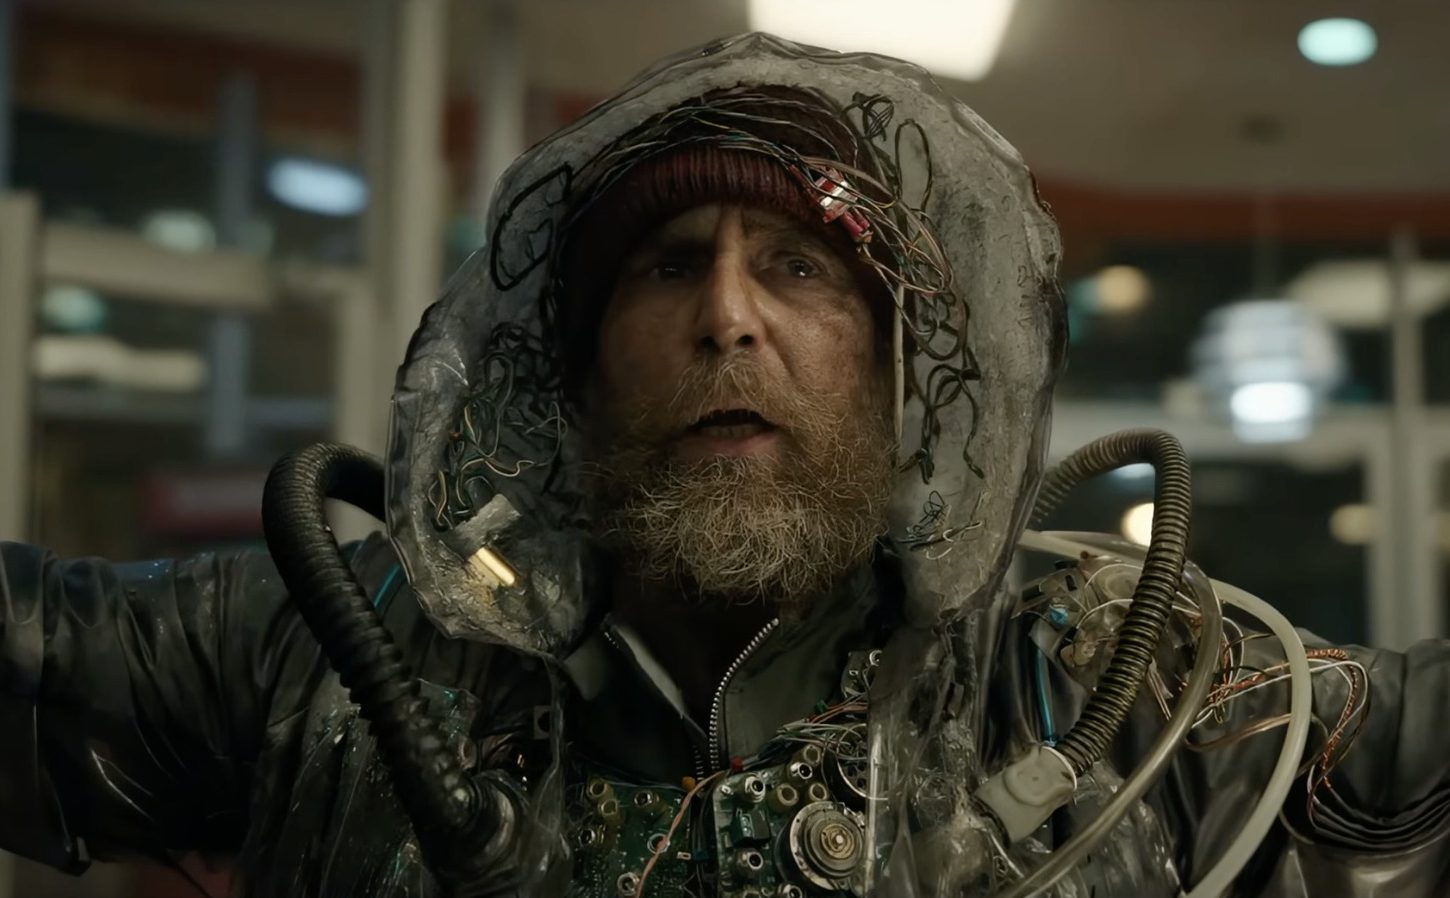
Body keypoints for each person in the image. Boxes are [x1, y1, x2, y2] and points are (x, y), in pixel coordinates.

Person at [2, 33, 1448, 898]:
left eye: (802, 269)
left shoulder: (1126, 686)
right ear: (572, 379)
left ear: (898, 375)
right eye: (667, 265)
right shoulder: (330, 650)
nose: (728, 316)